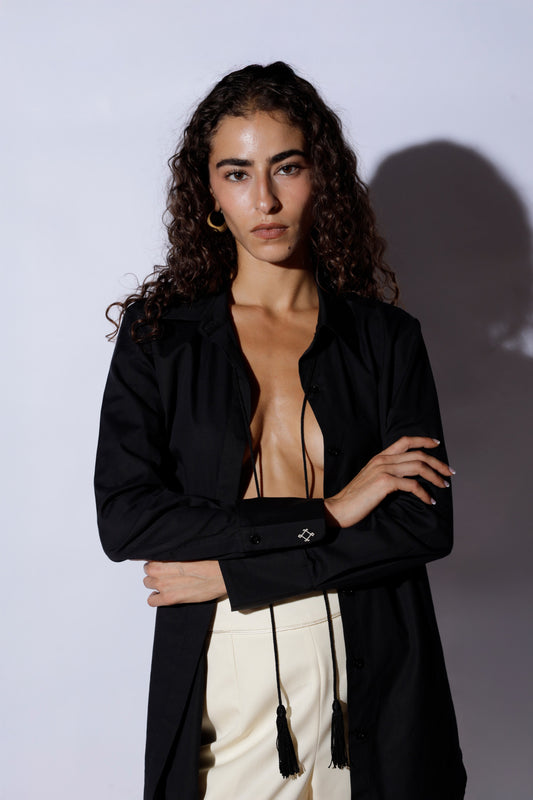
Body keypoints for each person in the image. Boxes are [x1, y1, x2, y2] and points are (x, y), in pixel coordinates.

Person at [95, 62, 467, 800]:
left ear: (319, 175)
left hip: (375, 663)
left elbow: (422, 527)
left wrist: (237, 572)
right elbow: (127, 517)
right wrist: (329, 511)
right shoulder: (160, 339)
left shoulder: (385, 340)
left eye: (285, 168)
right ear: (208, 192)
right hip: (225, 664)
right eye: (236, 173)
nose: (262, 199)